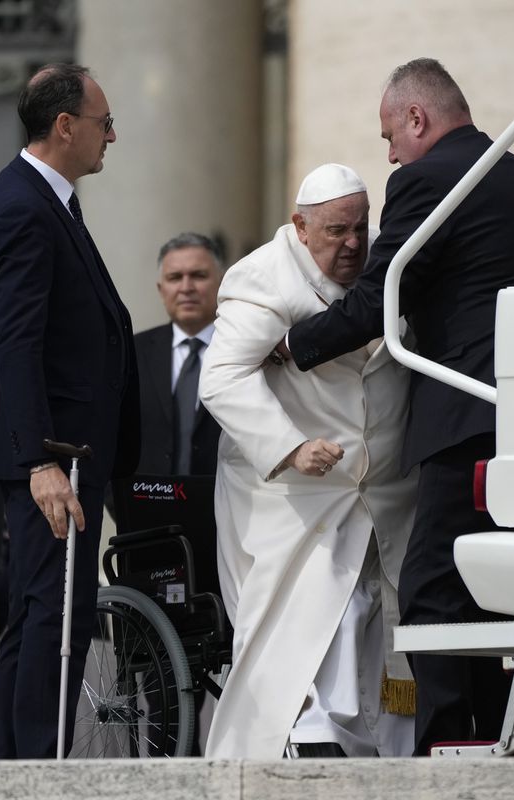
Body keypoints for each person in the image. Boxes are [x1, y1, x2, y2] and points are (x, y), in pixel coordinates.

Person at [282, 59, 514, 755]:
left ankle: (442, 752)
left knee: (432, 589)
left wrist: (292, 346)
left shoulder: (426, 180)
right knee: (494, 594)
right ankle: (504, 743)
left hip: (465, 418)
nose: (388, 154)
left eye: (389, 135)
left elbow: (379, 299)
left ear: (418, 118)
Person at [200, 163, 417, 758]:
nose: (351, 243)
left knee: (377, 624)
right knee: (320, 625)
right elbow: (220, 380)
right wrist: (291, 447)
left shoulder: (383, 264)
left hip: (381, 494)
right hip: (297, 500)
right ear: (300, 226)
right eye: (335, 231)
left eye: (359, 227)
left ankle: (376, 754)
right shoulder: (263, 277)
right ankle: (314, 742)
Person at [0, 62, 139, 759]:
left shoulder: (46, 201)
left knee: (45, 613)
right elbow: (16, 342)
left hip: (67, 450)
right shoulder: (21, 207)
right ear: (65, 126)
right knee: (55, 615)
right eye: (104, 123)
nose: (112, 136)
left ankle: (18, 765)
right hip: (53, 456)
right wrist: (39, 460)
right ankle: (36, 769)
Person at [133, 232, 225, 476]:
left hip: (228, 508)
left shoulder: (249, 350)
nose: (186, 287)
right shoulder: (132, 353)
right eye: (175, 277)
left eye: (198, 275)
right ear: (161, 289)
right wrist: (122, 503)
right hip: (147, 508)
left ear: (222, 282)